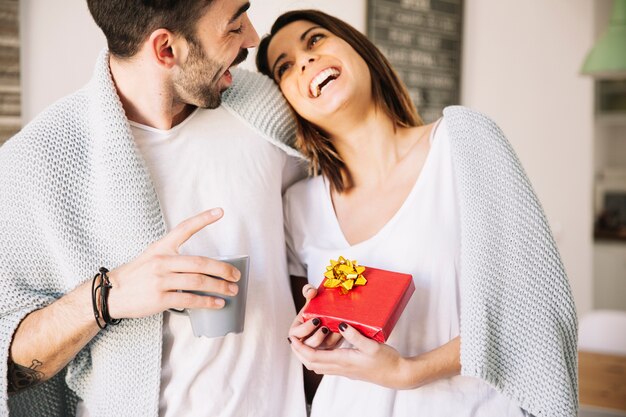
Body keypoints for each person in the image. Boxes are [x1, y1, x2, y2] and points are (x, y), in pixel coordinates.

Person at [256, 9, 578, 417]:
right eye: (284, 67)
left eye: (315, 40)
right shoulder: (298, 205)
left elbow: (534, 310)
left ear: (357, 48)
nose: (304, 61)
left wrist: (407, 371)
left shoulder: (462, 144)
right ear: (288, 102)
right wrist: (315, 343)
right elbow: (313, 368)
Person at [0, 1, 308, 416]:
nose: (252, 39)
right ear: (166, 49)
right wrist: (109, 297)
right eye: (234, 27)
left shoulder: (265, 108)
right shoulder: (37, 163)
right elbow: (12, 361)